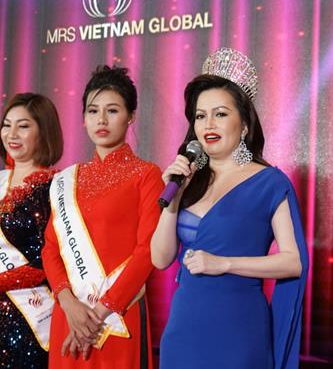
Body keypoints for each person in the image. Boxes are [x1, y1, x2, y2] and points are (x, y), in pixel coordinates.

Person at [151, 48, 309, 369]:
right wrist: (174, 201)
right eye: (200, 116)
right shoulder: (188, 179)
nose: (208, 124)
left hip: (238, 327)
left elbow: (293, 263)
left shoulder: (270, 182)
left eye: (220, 114)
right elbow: (160, 258)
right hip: (184, 327)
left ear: (244, 124)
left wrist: (223, 263)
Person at [42, 65, 163, 368]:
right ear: (83, 118)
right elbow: (50, 249)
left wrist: (98, 314)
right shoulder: (66, 180)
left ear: (131, 116)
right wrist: (68, 304)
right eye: (93, 111)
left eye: (113, 110)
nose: (102, 120)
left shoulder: (147, 175)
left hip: (118, 316)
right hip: (69, 317)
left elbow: (147, 250)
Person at [0, 93, 63, 368]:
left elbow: (46, 263)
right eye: (7, 125)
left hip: (30, 320)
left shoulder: (53, 187)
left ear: (44, 131)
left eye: (24, 126)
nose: (12, 134)